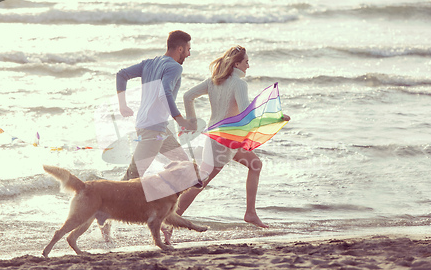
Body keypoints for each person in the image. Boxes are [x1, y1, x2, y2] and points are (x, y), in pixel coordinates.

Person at [162, 45, 290, 244]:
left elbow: (188, 96)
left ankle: (250, 213)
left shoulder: (214, 81)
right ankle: (168, 222)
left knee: (255, 165)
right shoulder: (239, 84)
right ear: (237, 63)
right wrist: (277, 117)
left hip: (221, 137)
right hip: (223, 140)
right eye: (246, 61)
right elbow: (247, 114)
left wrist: (192, 120)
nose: (249, 65)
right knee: (199, 184)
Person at [97, 30, 196, 239]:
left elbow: (121, 74)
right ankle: (102, 214)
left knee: (186, 171)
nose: (189, 53)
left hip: (157, 128)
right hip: (152, 130)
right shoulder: (175, 67)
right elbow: (165, 93)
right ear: (179, 48)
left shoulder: (149, 63)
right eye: (188, 49)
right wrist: (181, 120)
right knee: (131, 179)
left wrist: (123, 105)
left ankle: (168, 222)